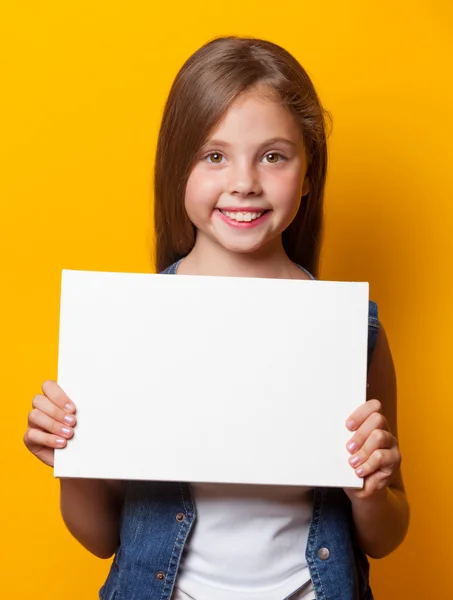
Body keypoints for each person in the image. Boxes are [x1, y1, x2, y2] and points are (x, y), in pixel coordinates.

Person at [23, 36, 409, 600]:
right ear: (177, 168)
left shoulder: (352, 331)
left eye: (273, 155)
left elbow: (387, 536)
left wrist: (370, 489)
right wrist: (71, 459)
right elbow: (101, 539)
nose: (245, 181)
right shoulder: (126, 326)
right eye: (214, 155)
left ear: (309, 173)